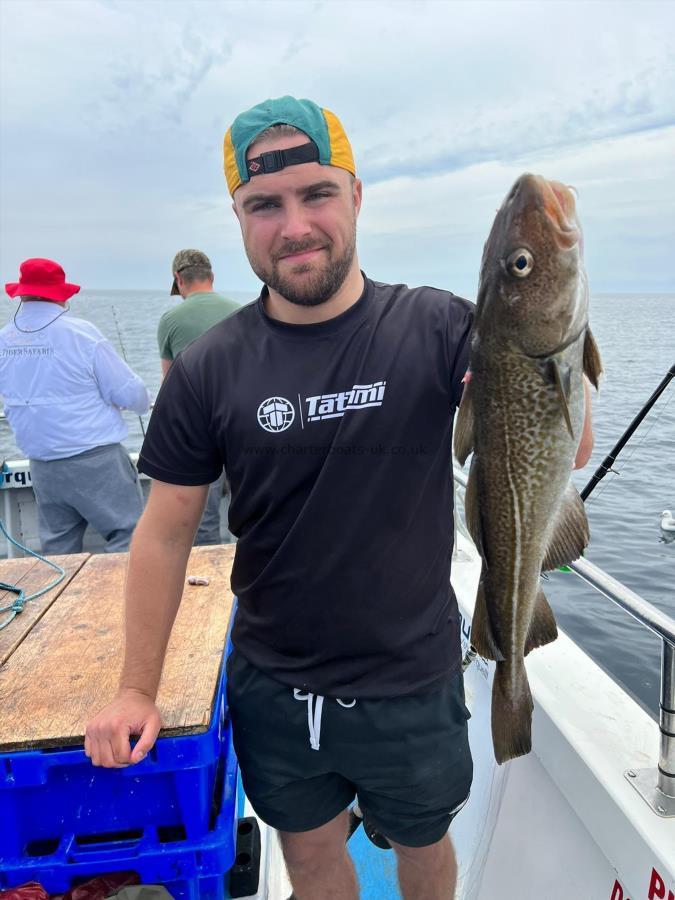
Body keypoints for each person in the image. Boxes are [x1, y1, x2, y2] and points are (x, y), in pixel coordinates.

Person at [85, 97, 593, 900]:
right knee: (313, 860)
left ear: (355, 195)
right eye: (265, 205)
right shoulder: (210, 368)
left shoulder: (437, 326)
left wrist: (550, 353)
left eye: (316, 193)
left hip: (414, 678)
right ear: (239, 217)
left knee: (424, 850)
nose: (294, 225)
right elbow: (164, 530)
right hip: (275, 685)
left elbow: (557, 439)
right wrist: (136, 688)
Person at [0, 258, 150, 554]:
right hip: (97, 460)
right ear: (61, 295)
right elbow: (134, 395)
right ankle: (112, 599)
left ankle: (64, 599)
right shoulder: (82, 334)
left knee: (58, 549)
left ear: (21, 293)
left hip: (43, 465)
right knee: (130, 536)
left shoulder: (4, 339)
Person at [157, 248, 239, 544]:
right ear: (211, 277)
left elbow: (170, 384)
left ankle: (208, 582)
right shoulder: (240, 310)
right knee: (251, 510)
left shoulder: (171, 319)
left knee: (204, 523)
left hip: (199, 431)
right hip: (245, 426)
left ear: (178, 279)